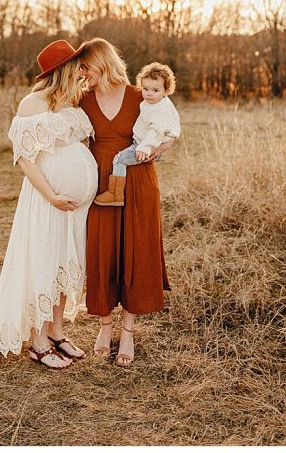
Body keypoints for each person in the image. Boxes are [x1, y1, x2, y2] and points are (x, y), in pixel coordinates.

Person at [0, 40, 98, 370]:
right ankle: (37, 342)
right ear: (61, 70)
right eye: (76, 64)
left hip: (76, 207)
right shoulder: (32, 103)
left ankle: (57, 333)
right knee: (45, 263)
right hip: (48, 201)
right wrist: (51, 194)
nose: (81, 70)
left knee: (68, 263)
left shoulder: (73, 100)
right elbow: (25, 158)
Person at [78, 38, 171, 367]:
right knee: (103, 250)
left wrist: (161, 146)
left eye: (86, 66)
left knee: (135, 249)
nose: (82, 72)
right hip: (101, 184)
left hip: (138, 181)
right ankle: (105, 327)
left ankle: (128, 331)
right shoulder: (83, 99)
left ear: (102, 63)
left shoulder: (140, 97)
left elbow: (167, 128)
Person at [94, 61, 181, 207]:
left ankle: (115, 194)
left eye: (155, 90)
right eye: (145, 88)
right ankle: (116, 193)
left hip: (142, 146)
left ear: (166, 91)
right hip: (143, 143)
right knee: (120, 159)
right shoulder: (158, 102)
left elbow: (157, 130)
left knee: (119, 160)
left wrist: (145, 148)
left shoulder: (159, 109)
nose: (149, 93)